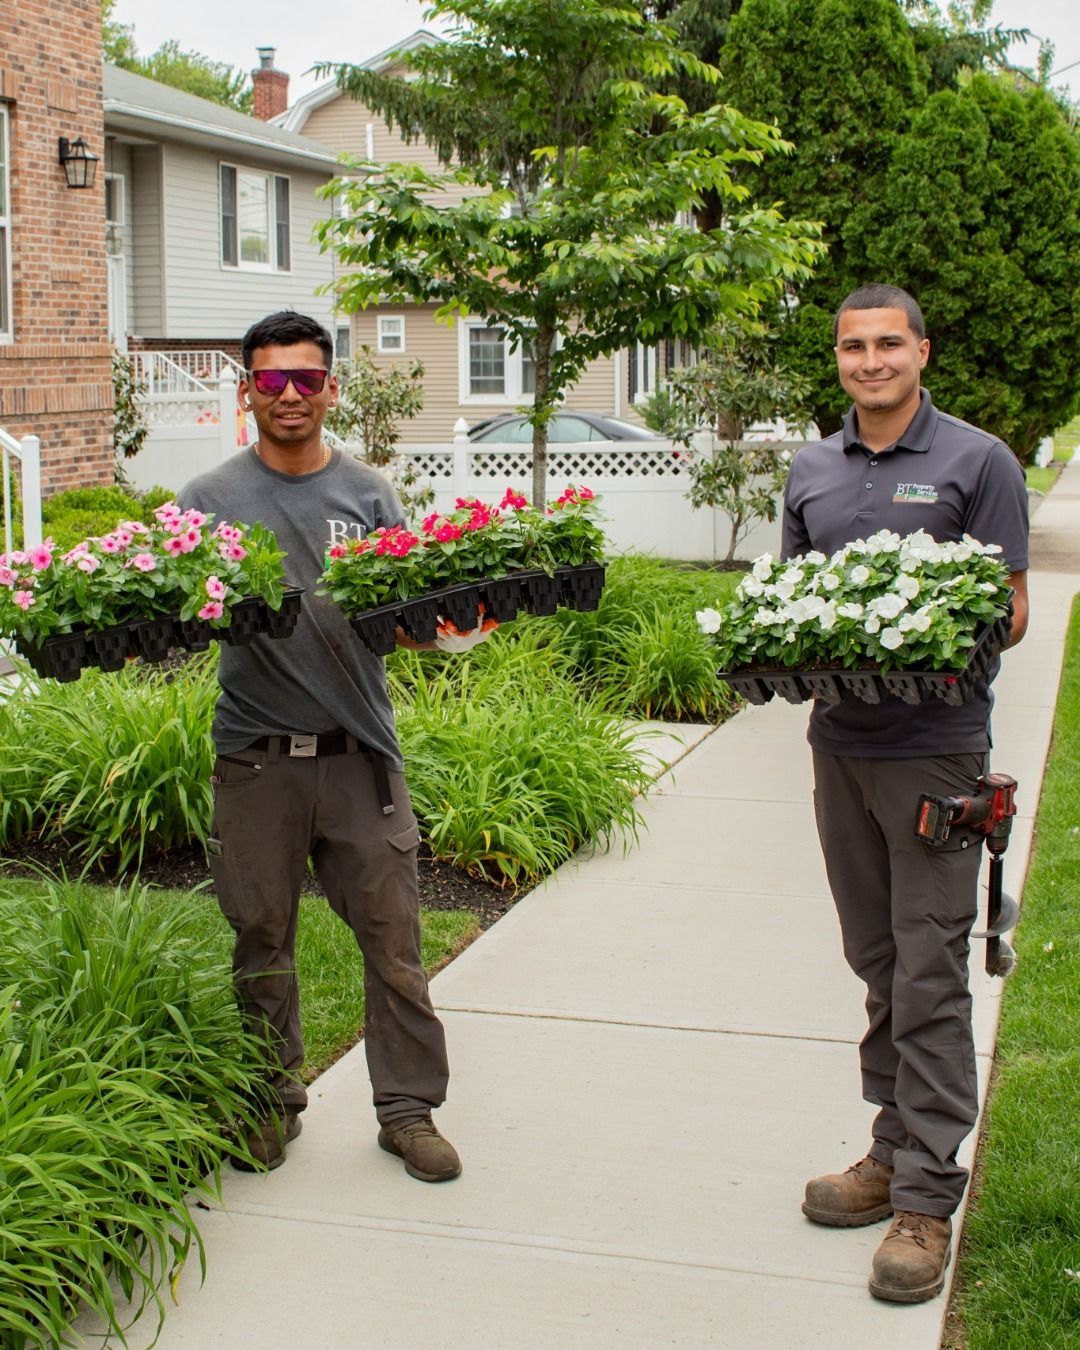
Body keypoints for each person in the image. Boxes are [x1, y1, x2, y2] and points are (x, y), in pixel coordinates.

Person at [181, 310, 492, 1181]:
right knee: (261, 940)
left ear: (331, 388)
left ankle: (406, 1111)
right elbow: (175, 616)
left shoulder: (369, 493)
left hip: (360, 756)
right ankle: (268, 1104)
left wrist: (458, 629)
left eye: (306, 379)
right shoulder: (208, 501)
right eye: (272, 380)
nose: (290, 395)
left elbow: (409, 624)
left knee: (395, 943)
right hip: (256, 760)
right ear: (248, 390)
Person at [781, 284, 1029, 1304]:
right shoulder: (811, 468)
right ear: (837, 359)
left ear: (922, 352)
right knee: (877, 955)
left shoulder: (979, 461)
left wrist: (939, 619)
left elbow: (1010, 612)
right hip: (839, 742)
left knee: (928, 967)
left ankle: (927, 1194)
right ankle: (890, 1148)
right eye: (854, 347)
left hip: (934, 751)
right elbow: (789, 599)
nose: (871, 361)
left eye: (890, 344)